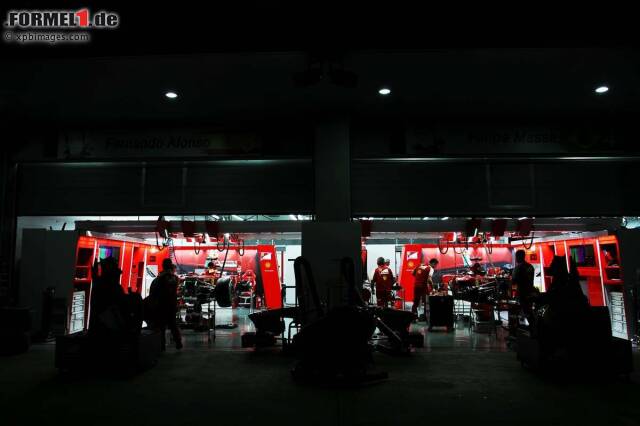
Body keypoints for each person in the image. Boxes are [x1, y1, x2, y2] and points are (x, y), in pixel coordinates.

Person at [148, 258, 183, 350]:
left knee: (161, 326)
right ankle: (178, 342)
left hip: (161, 305)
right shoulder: (175, 278)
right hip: (171, 304)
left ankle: (162, 345)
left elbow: (154, 292)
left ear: (163, 266)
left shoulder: (160, 278)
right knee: (173, 324)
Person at [511, 249, 535, 317]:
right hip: (530, 292)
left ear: (518, 257)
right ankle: (532, 326)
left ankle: (523, 326)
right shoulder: (530, 266)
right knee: (529, 311)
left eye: (516, 257)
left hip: (521, 294)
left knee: (519, 313)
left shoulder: (518, 268)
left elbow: (513, 282)